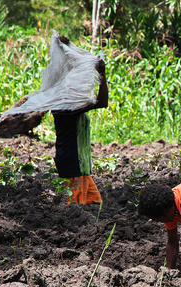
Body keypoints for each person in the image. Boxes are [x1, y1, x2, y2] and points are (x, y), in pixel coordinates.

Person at [52, 36, 108, 205]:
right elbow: (102, 102)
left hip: (80, 165)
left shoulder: (71, 103)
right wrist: (102, 74)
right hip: (72, 165)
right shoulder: (65, 106)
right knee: (77, 208)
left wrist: (66, 45)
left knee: (94, 204)